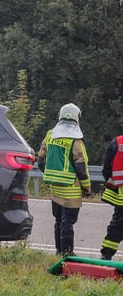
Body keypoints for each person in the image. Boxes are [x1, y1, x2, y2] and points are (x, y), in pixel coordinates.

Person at [37, 103, 91, 257]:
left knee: (58, 220)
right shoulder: (76, 141)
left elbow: (40, 162)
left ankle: (58, 251)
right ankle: (67, 254)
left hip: (54, 188)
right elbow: (82, 169)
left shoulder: (49, 136)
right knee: (68, 223)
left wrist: (52, 176)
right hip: (71, 190)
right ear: (77, 118)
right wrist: (87, 189)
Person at [99, 133, 123, 261]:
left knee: (117, 225)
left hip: (121, 195)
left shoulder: (118, 143)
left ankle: (106, 255)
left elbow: (107, 168)